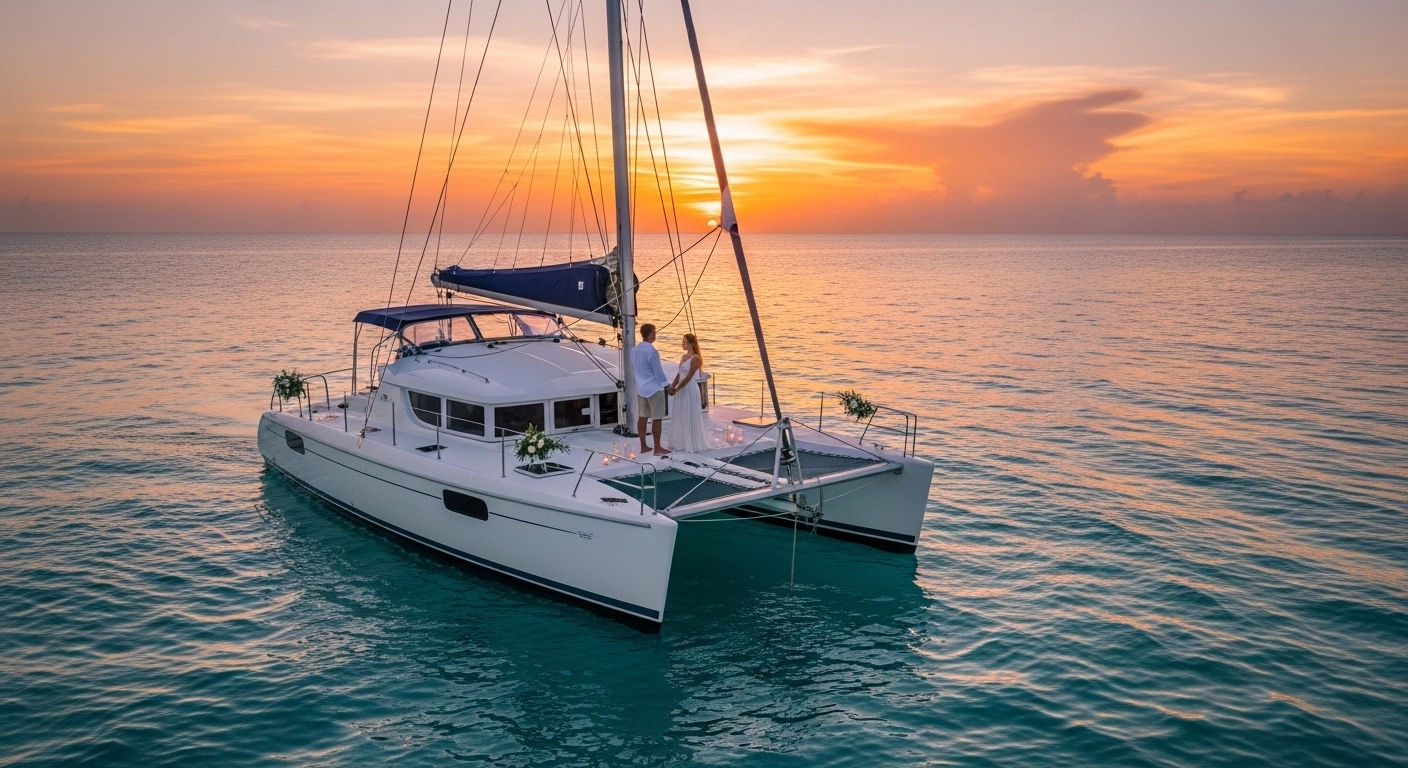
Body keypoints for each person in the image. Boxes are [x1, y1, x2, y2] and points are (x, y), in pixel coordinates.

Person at [667, 333, 717, 453]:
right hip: (680, 388)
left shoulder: (696, 359)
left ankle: (691, 442)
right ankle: (681, 441)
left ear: (691, 343)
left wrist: (677, 389)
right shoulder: (683, 357)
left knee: (689, 414)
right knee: (681, 413)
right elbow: (679, 374)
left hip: (689, 388)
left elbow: (689, 376)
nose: (682, 343)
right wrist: (672, 386)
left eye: (685, 341)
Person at [631, 323, 670, 456]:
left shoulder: (634, 351)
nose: (655, 335)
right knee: (657, 418)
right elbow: (658, 373)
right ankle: (658, 448)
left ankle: (643, 446)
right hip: (654, 389)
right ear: (650, 334)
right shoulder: (652, 352)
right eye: (654, 332)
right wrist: (668, 387)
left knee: (642, 417)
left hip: (641, 388)